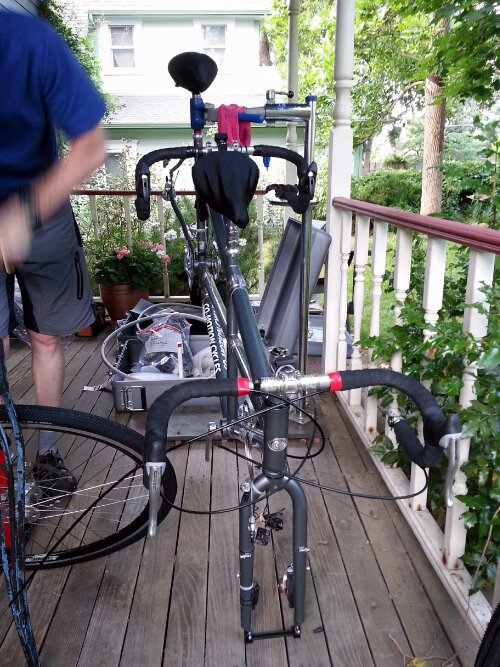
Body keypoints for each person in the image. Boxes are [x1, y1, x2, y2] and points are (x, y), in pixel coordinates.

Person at [0, 11, 107, 494]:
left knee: (45, 339)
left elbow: (91, 147)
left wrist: (22, 214)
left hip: (41, 205)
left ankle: (47, 453)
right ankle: (5, 455)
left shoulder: (30, 41)